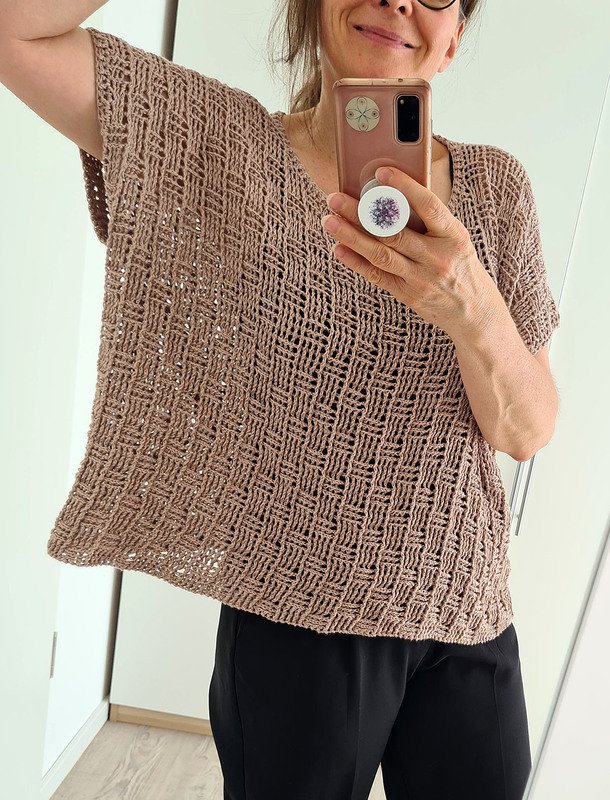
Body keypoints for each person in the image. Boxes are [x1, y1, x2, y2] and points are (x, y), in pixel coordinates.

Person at [1, 1, 561, 798]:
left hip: (465, 611)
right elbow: (15, 30)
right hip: (295, 606)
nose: (399, 0)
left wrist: (473, 308)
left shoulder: (497, 189)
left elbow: (527, 428)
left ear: (452, 41)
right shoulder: (219, 146)